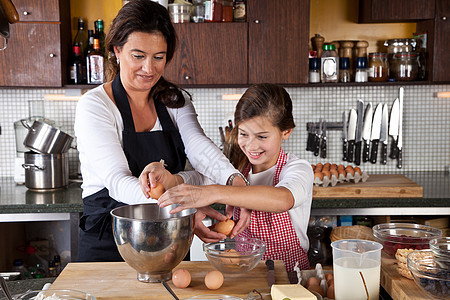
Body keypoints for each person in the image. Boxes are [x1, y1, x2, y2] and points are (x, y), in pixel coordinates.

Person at [74, 0, 249, 262]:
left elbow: (200, 150)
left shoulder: (174, 100)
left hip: (170, 241)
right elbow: (119, 182)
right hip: (110, 242)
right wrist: (182, 205)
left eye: (159, 57)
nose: (149, 69)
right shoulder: (96, 105)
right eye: (138, 56)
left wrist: (238, 188)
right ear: (116, 50)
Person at [140, 83, 314, 276]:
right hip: (245, 277)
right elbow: (192, 180)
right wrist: (162, 173)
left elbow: (283, 199)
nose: (251, 145)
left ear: (286, 132)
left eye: (262, 136)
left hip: (289, 279)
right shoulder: (235, 171)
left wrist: (214, 192)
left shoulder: (297, 168)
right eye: (244, 134)